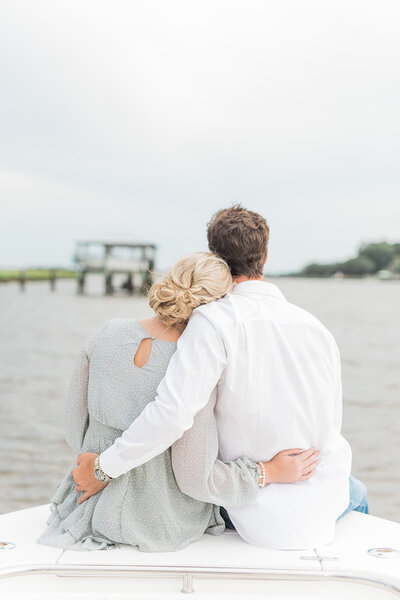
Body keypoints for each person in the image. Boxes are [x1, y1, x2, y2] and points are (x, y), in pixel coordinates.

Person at [73, 206, 368, 549]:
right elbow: (329, 426)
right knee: (357, 493)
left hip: (251, 508)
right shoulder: (317, 329)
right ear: (266, 255)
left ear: (215, 257)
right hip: (320, 497)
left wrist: (103, 469)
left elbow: (171, 414)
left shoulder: (213, 323)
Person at [38, 252, 318, 552]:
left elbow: (73, 428)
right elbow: (196, 479)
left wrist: (99, 464)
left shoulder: (106, 332)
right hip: (157, 521)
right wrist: (269, 471)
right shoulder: (193, 365)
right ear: (219, 307)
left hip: (86, 504)